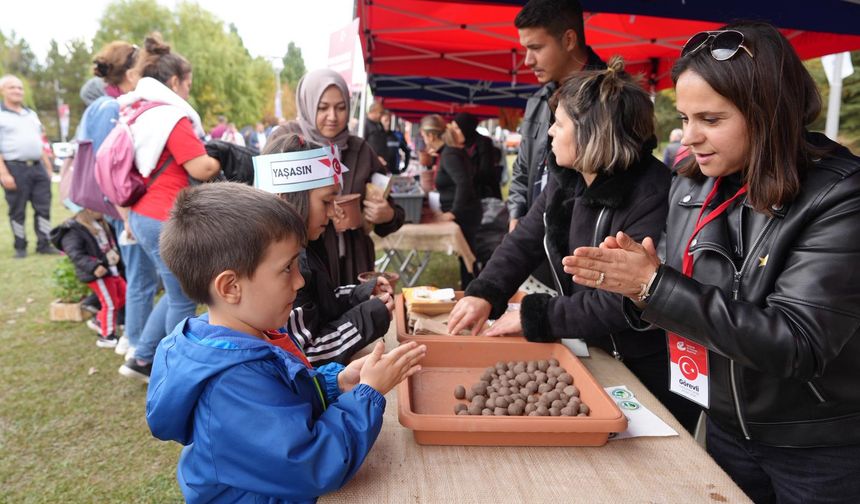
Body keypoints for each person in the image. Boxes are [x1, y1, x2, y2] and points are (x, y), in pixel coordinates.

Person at [563, 23, 860, 503]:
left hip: (816, 444)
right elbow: (685, 299)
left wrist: (655, 286)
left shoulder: (840, 196)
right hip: (722, 425)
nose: (689, 137)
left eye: (711, 119)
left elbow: (798, 343)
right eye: (684, 116)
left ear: (768, 113)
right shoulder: (690, 185)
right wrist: (639, 287)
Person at [448, 57, 700, 433]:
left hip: (647, 366)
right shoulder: (567, 179)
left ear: (591, 133)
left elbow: (623, 299)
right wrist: (484, 292)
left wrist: (538, 316)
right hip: (593, 347)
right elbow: (527, 238)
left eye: (559, 123)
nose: (549, 132)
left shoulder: (651, 194)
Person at [147, 181, 426, 503]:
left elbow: (282, 395)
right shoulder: (232, 383)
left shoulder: (240, 341)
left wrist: (337, 382)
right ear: (230, 287)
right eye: (287, 268)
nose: (301, 280)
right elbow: (312, 464)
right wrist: (367, 395)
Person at [118, 33, 221, 383]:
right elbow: (200, 168)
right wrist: (222, 161)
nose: (188, 92)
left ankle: (142, 357)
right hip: (164, 214)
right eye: (188, 85)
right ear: (175, 81)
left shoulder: (141, 113)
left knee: (174, 288)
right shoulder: (170, 117)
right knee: (182, 296)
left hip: (143, 212)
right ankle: (175, 367)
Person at [255, 133, 395, 365]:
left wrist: (360, 294)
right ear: (288, 198)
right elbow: (307, 353)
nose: (332, 213)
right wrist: (370, 316)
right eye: (326, 202)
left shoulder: (306, 248)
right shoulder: (285, 267)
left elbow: (321, 304)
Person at [274, 69, 405, 286]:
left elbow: (393, 213)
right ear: (308, 104)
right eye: (322, 107)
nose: (333, 117)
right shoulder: (287, 142)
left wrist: (387, 215)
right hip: (305, 267)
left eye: (341, 107)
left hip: (354, 264)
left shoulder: (360, 150)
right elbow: (267, 205)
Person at [420, 114, 482, 288]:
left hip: (465, 214)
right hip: (466, 212)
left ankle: (473, 293)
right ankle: (471, 291)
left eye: (424, 136)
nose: (424, 140)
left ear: (431, 136)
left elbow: (464, 183)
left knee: (469, 261)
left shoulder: (449, 155)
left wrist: (453, 212)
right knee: (467, 260)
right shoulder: (447, 152)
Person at [0, 74, 58, 258]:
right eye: (12, 87)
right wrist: (4, 173)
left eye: (20, 88)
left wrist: (48, 168)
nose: (17, 91)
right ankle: (20, 245)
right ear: (2, 91)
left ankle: (44, 243)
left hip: (37, 167)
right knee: (17, 210)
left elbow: (39, 142)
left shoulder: (31, 115)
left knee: (43, 207)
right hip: (14, 167)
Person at [50, 209, 126, 348]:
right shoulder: (72, 230)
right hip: (98, 273)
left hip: (111, 269)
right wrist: (94, 266)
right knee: (109, 303)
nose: (101, 209)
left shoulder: (100, 224)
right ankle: (107, 336)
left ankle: (99, 321)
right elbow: (76, 254)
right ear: (86, 210)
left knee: (123, 294)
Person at [453, 112, 502, 200]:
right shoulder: (459, 145)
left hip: (483, 195)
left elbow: (486, 171)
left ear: (465, 128)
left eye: (457, 128)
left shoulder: (484, 143)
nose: (454, 132)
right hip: (468, 193)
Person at [380, 110, 410, 174]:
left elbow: (407, 151)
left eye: (389, 121)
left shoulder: (396, 136)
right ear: (380, 121)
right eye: (386, 120)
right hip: (380, 172)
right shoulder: (376, 136)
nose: (388, 123)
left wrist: (405, 167)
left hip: (394, 171)